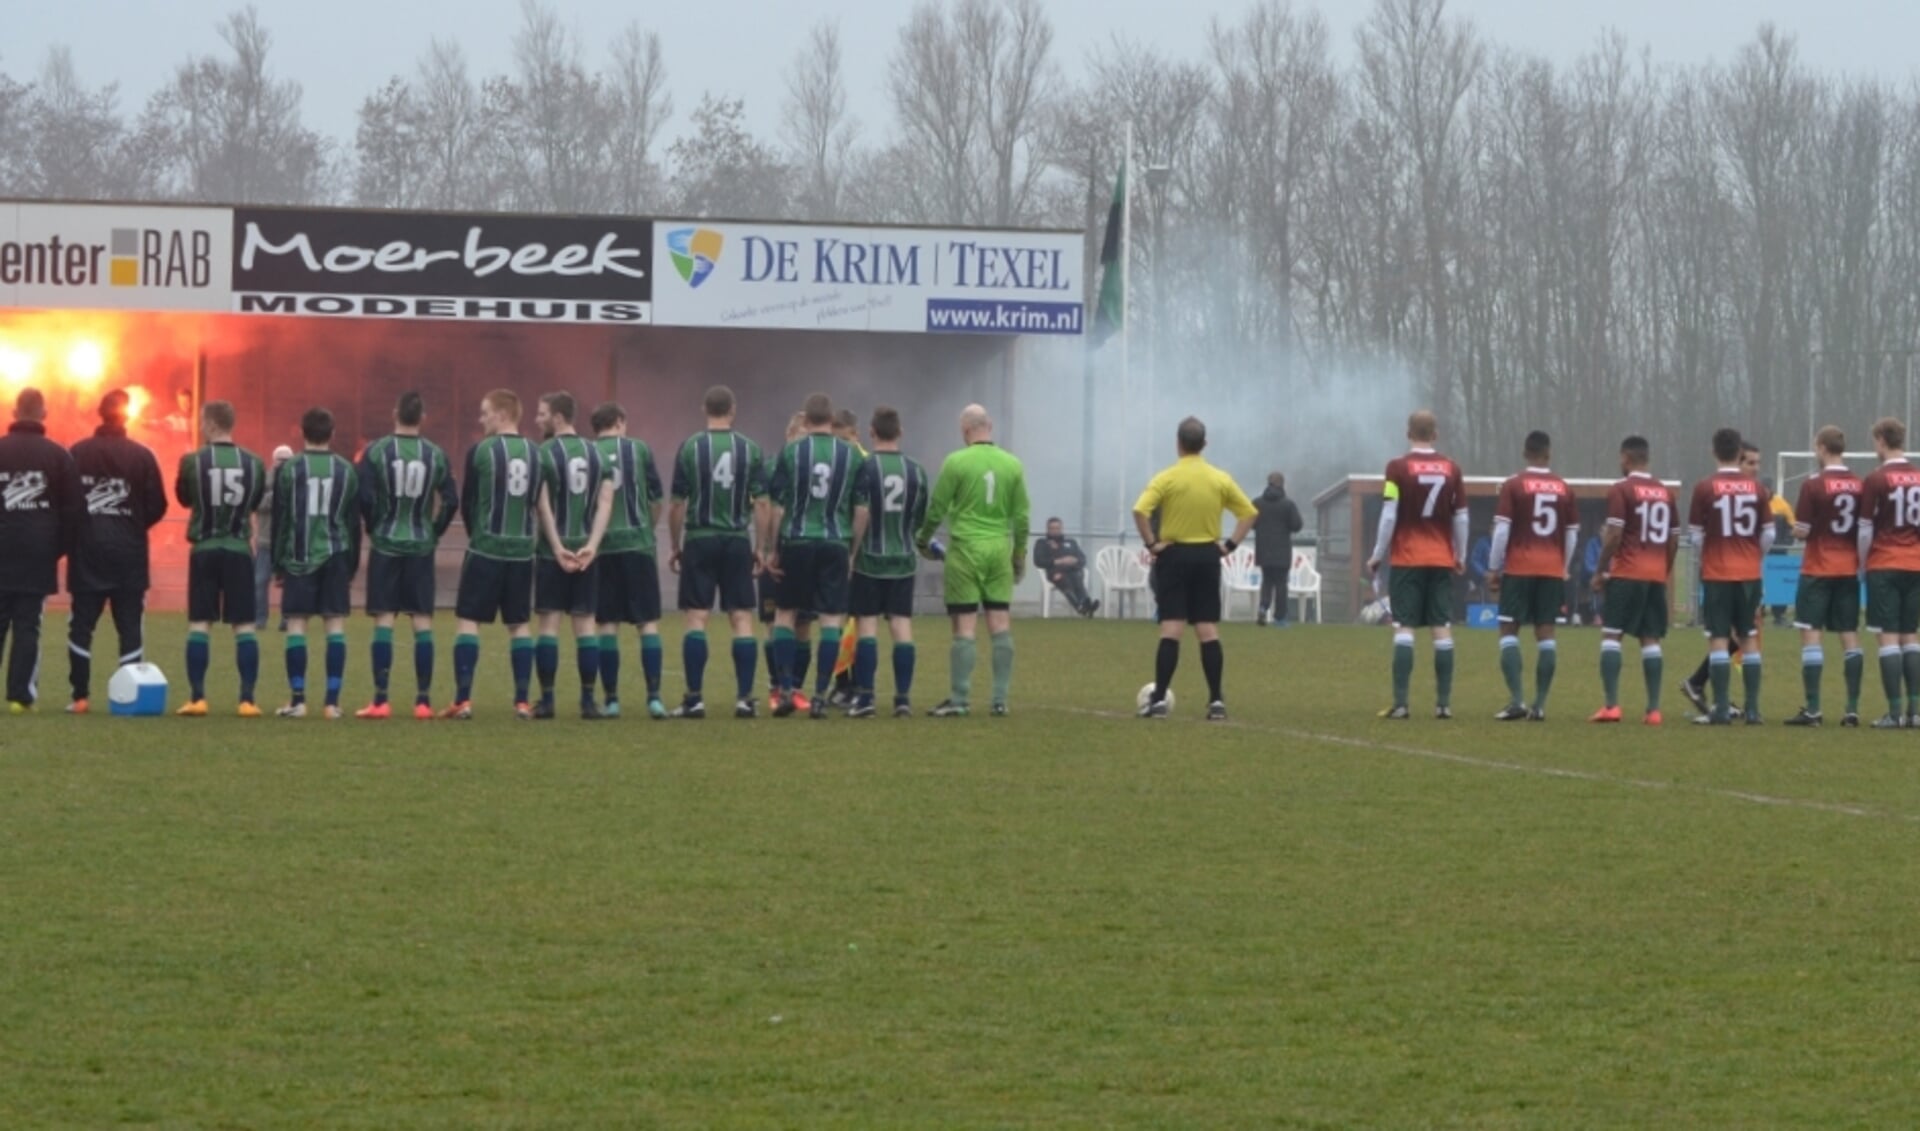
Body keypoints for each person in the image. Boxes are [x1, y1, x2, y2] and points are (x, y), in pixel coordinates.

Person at [1133, 416, 1258, 721]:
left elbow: (1140, 510)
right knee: (1207, 629)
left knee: (1172, 628)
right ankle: (1216, 701)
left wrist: (1152, 544)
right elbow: (1249, 512)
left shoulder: (1167, 478)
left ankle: (1159, 700)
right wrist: (1229, 546)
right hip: (1207, 556)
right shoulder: (1219, 478)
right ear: (1204, 444)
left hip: (1174, 556)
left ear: (1178, 443)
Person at [914, 403, 1030, 717]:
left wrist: (923, 540)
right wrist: (1019, 555)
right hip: (998, 549)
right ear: (989, 426)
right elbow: (1021, 518)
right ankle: (999, 699)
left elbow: (937, 508)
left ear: (965, 431)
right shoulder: (1012, 465)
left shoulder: (956, 462)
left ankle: (960, 699)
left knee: (964, 625)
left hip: (965, 550)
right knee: (1000, 623)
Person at [668, 385, 769, 719]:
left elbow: (678, 504)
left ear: (704, 409)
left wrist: (674, 544)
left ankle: (694, 699)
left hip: (700, 537)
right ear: (733, 410)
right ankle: (744, 699)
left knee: (697, 617)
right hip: (736, 539)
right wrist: (761, 547)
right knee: (741, 617)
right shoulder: (750, 449)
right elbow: (763, 503)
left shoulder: (690, 448)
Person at [356, 391, 457, 720]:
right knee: (422, 622)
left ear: (394, 412)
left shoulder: (376, 452)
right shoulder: (436, 454)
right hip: (420, 545)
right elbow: (451, 500)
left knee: (384, 619)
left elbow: (365, 498)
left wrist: (374, 527)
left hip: (386, 543)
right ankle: (423, 702)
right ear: (423, 417)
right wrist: (434, 530)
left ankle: (381, 700)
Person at [66, 389, 168, 714]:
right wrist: (133, 524)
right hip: (129, 555)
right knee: (129, 627)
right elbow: (158, 505)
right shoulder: (142, 456)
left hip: (87, 554)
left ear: (99, 413)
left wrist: (83, 528)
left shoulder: (77, 454)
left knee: (81, 626)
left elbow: (65, 504)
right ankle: (131, 697)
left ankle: (80, 696)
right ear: (127, 416)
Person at [764, 393, 865, 719]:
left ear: (806, 420)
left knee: (785, 614)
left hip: (797, 539)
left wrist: (773, 549)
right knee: (830, 619)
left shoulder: (792, 452)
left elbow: (778, 507)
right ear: (831, 420)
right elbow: (862, 510)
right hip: (836, 541)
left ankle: (787, 690)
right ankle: (820, 695)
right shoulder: (851, 456)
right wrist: (852, 550)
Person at [446, 390, 543, 721]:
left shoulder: (480, 451)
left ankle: (463, 700)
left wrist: (479, 535)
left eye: (485, 412)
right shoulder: (536, 453)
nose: (481, 418)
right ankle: (521, 702)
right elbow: (535, 500)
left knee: (469, 620)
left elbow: (468, 502)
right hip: (520, 551)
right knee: (518, 625)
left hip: (486, 548)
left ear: (502, 415)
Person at [1366, 409, 1468, 719]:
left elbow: (1389, 513)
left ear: (1408, 433)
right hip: (1440, 558)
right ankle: (1443, 704)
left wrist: (1377, 553)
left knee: (1404, 628)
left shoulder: (1396, 468)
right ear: (1435, 435)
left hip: (1408, 558)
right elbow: (1461, 517)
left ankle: (1401, 704)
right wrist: (1459, 556)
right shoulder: (1452, 469)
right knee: (1442, 628)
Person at [175, 400, 268, 717]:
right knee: (244, 626)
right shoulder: (254, 463)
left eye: (203, 421)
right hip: (239, 551)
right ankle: (247, 700)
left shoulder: (193, 461)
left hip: (205, 549)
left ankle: (198, 697)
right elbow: (254, 501)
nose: (201, 426)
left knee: (200, 623)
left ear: (212, 424)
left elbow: (184, 497)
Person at [272, 408, 360, 720]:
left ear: (301, 432)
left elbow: (281, 520)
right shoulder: (347, 470)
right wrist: (351, 563)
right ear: (332, 433)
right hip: (336, 555)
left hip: (299, 557)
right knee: (334, 625)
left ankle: (298, 701)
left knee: (297, 624)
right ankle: (332, 703)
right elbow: (352, 521)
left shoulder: (290, 469)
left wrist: (277, 563)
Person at [532, 391, 615, 720]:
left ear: (557, 417)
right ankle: (587, 702)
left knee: (549, 626)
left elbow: (543, 506)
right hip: (585, 552)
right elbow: (605, 504)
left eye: (541, 414)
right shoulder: (597, 454)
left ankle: (548, 701)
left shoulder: (544, 453)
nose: (537, 419)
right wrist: (592, 547)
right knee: (585, 628)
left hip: (555, 552)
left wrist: (556, 547)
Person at [1486, 431, 1579, 722]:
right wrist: (1563, 565)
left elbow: (1501, 530)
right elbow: (1572, 533)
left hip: (1519, 568)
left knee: (1508, 631)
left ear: (1525, 453)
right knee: (1546, 635)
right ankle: (1539, 705)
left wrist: (1493, 567)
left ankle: (1517, 700)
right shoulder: (1564, 488)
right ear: (1548, 454)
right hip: (1551, 569)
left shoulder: (1514, 485)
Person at [847, 405, 930, 718]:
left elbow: (860, 512)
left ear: (871, 432)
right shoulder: (916, 471)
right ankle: (902, 699)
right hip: (904, 560)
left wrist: (852, 552)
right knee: (901, 626)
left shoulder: (864, 469)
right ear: (900, 432)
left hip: (869, 559)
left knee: (866, 625)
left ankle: (866, 698)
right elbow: (920, 518)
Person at [1589, 436, 1678, 724]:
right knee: (1650, 638)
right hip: (1654, 575)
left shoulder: (1621, 490)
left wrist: (1601, 570)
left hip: (1627, 573)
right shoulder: (1665, 492)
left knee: (1612, 635)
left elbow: (1614, 535)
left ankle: (1612, 705)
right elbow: (1674, 539)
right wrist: (1664, 570)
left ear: (1625, 458)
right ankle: (1653, 710)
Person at [1686, 427, 1772, 725]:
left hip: (1717, 572)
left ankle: (1721, 710)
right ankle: (1752, 710)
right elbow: (1769, 533)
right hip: (1749, 573)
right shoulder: (1758, 489)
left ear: (1713, 452)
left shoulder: (1704, 487)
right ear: (1739, 453)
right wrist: (1752, 555)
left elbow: (1696, 536)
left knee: (1719, 639)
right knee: (1748, 637)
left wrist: (1711, 554)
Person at [0, 389, 79, 713]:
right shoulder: (59, 457)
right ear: (43, 414)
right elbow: (73, 512)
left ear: (15, 412)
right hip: (37, 553)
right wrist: (55, 548)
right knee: (28, 625)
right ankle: (20, 696)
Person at [1784, 426, 1865, 727]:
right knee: (1849, 634)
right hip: (1848, 568)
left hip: (1818, 567)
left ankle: (1814, 709)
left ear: (1821, 448)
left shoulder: (1813, 485)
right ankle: (1852, 709)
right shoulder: (1859, 484)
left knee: (1811, 633)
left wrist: (1794, 529)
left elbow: (1802, 531)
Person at [591, 401, 667, 719]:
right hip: (638, 545)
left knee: (607, 625)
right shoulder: (640, 450)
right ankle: (654, 697)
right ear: (621, 422)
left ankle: (611, 700)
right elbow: (657, 498)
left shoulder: (589, 452)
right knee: (646, 623)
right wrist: (647, 528)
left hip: (604, 547)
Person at [1859, 417, 1920, 728]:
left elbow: (1866, 529)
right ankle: (1916, 711)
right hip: (1915, 564)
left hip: (1884, 563)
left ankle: (1894, 713)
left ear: (1881, 439)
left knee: (1887, 639)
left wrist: (1862, 563)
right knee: (1911, 636)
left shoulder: (1876, 479)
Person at [760, 412, 817, 710]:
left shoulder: (814, 468)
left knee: (804, 623)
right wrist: (767, 547)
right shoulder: (771, 466)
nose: (804, 443)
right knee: (773, 621)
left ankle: (795, 688)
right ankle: (776, 686)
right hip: (777, 552)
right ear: (789, 435)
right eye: (799, 436)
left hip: (804, 552)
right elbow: (764, 507)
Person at [1252, 472, 1304, 626]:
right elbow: (1297, 525)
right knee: (1281, 584)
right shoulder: (1288, 504)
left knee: (1267, 582)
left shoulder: (1257, 503)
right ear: (1282, 484)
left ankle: (1263, 607)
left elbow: (1250, 523)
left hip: (1263, 550)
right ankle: (1280, 618)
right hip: (1281, 552)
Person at [252, 445, 293, 632]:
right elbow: (255, 503)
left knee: (289, 583)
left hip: (288, 542)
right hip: (266, 540)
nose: (282, 464)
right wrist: (274, 498)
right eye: (280, 460)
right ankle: (260, 619)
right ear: (273, 460)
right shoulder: (263, 480)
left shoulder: (296, 480)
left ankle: (286, 619)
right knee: (260, 580)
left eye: (286, 460)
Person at [1033, 517, 1098, 617]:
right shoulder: (1042, 543)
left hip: (1073, 571)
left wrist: (1074, 560)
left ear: (1062, 528)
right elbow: (1038, 561)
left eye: (1057, 528)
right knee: (1063, 579)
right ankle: (1080, 606)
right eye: (1052, 528)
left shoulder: (1071, 542)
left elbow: (1082, 559)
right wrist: (1058, 561)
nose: (1055, 531)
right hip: (1055, 572)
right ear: (1047, 529)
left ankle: (1085, 604)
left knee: (1077, 578)